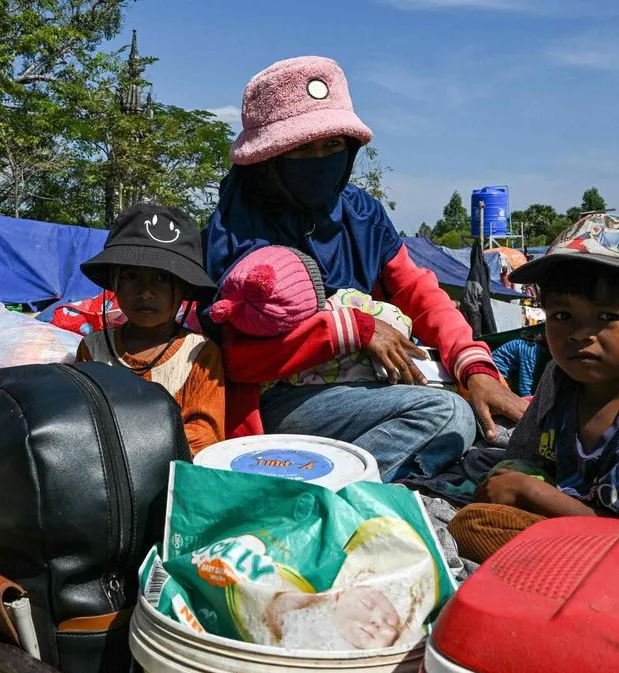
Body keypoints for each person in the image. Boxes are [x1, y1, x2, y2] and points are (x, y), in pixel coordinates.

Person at [203, 56, 525, 480]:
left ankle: (343, 471)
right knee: (448, 416)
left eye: (332, 146)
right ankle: (315, 495)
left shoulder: (360, 213)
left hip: (361, 392)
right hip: (277, 398)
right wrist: (350, 330)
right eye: (301, 148)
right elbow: (237, 359)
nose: (319, 159)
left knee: (490, 412)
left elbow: (419, 293)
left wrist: (475, 368)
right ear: (268, 158)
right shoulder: (236, 228)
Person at [450, 214, 619, 562]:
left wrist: (530, 493)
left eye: (608, 317)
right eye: (562, 316)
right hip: (587, 520)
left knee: (475, 526)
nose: (580, 334)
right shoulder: (559, 377)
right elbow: (524, 455)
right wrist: (517, 478)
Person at [76, 204, 226, 453]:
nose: (146, 292)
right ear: (114, 281)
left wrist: (135, 446)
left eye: (163, 278)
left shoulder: (199, 354)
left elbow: (205, 436)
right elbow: (79, 418)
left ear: (184, 287)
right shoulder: (93, 349)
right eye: (132, 277)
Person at [490, 333, 547, 397]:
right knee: (505, 396)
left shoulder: (533, 346)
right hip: (496, 365)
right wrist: (528, 401)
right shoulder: (531, 353)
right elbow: (525, 381)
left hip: (502, 366)